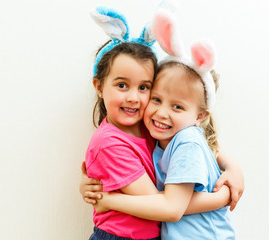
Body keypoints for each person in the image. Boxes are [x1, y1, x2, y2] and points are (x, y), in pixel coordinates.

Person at [83, 6, 243, 240]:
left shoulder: (151, 129)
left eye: (144, 87)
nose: (133, 97)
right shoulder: (109, 142)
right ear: (99, 87)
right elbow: (166, 207)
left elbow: (202, 151)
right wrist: (223, 196)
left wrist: (233, 169)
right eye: (121, 85)